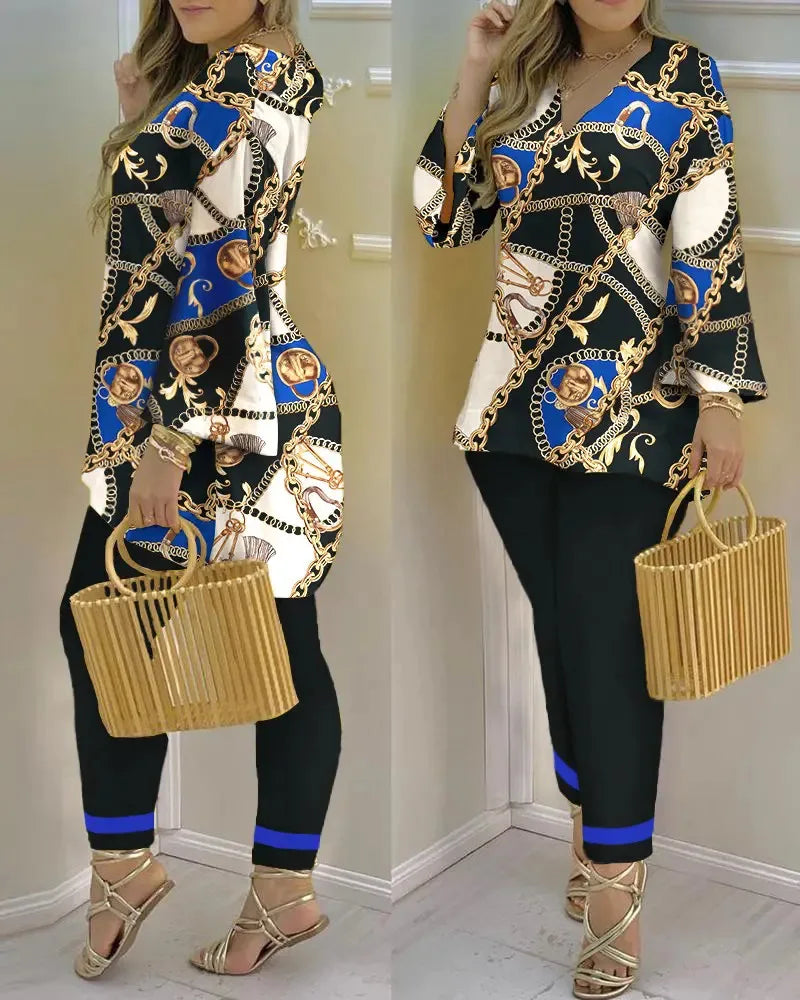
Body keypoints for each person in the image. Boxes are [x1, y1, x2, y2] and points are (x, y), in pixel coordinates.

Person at [412, 1, 767, 996]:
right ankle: (587, 814)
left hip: (639, 408)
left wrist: (718, 399)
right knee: (564, 631)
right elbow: (445, 218)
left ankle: (615, 885)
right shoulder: (521, 76)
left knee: (610, 646)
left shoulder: (685, 75)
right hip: (507, 412)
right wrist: (475, 69)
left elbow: (709, 238)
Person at [60, 0, 344, 980]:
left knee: (246, 647)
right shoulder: (221, 73)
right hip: (196, 410)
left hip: (215, 420)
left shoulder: (252, 76)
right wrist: (141, 115)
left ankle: (166, 874)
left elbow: (224, 272)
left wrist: (169, 440)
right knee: (149, 630)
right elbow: (172, 234)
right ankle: (221, 881)